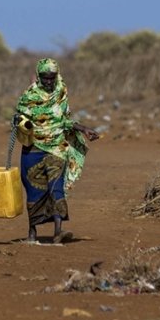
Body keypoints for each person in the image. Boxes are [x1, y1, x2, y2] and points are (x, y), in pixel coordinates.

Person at [14, 58, 99, 244]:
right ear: (38, 76)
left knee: (56, 188)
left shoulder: (61, 92)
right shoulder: (29, 96)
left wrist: (83, 128)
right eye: (45, 77)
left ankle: (58, 231)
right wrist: (22, 123)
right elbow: (18, 119)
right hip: (32, 149)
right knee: (33, 191)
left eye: (52, 77)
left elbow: (65, 120)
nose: (49, 82)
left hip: (57, 148)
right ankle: (32, 233)